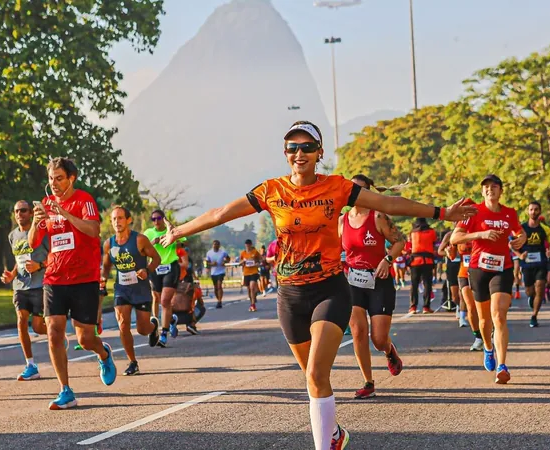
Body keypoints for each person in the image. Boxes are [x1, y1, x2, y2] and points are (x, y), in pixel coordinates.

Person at [158, 120, 475, 450]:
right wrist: (179, 231)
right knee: (313, 380)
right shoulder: (272, 190)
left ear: (319, 152)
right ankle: (334, 434)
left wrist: (442, 213)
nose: (300, 153)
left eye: (307, 147)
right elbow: (221, 212)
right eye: (293, 147)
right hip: (290, 295)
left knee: (314, 375)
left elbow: (390, 204)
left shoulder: (337, 187)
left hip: (330, 290)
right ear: (285, 153)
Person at [29, 157, 116, 410]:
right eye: (50, 179)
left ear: (71, 179)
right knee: (54, 331)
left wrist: (64, 213)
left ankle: (103, 353)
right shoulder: (46, 203)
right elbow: (34, 242)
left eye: (59, 178)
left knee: (86, 338)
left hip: (84, 278)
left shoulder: (84, 200)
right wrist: (36, 222)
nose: (54, 184)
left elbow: (93, 230)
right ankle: (65, 390)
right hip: (55, 277)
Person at [451, 174, 525, 385]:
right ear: (482, 191)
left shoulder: (510, 213)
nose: (489, 190)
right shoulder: (473, 212)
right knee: (484, 321)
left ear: (501, 191)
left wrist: (521, 239)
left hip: (503, 268)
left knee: (499, 316)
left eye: (494, 186)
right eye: (486, 187)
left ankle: (502, 366)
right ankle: (488, 347)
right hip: (478, 269)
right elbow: (456, 238)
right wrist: (480, 235)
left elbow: (519, 232)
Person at [339, 174, 406, 400]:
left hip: (380, 281)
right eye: (353, 189)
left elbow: (400, 241)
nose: (356, 193)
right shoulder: (342, 221)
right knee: (358, 331)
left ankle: (389, 351)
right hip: (353, 282)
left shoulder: (378, 216)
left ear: (368, 192)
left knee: (378, 339)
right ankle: (368, 381)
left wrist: (387, 260)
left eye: (361, 189)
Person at [102, 206, 162, 376]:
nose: (117, 222)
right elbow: (106, 266)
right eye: (114, 219)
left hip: (140, 289)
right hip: (122, 289)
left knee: (143, 329)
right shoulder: (109, 244)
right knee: (122, 324)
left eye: (120, 218)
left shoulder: (140, 240)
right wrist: (103, 280)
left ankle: (153, 326)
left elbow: (156, 258)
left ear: (128, 220)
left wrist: (147, 270)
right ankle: (132, 362)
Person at [1, 200, 50, 381]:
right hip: (20, 286)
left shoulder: (41, 234)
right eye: (16, 211)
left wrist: (39, 265)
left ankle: (55, 333)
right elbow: (18, 260)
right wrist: (11, 275)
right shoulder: (13, 235)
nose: (19, 214)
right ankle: (30, 364)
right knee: (21, 320)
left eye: (23, 211)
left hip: (40, 285)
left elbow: (54, 256)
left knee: (38, 326)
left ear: (31, 213)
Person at [143, 209, 185, 347]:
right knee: (156, 298)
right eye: (153, 219)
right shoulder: (148, 233)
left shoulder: (170, 230)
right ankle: (167, 321)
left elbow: (182, 242)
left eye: (159, 218)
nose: (156, 221)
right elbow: (141, 249)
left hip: (170, 267)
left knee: (165, 301)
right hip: (155, 267)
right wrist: (153, 242)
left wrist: (169, 228)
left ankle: (163, 333)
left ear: (163, 219)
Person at [514, 201, 550, 328]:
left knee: (540, 288)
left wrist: (549, 251)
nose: (533, 212)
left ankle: (534, 316)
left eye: (536, 209)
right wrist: (519, 256)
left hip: (541, 263)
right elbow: (512, 245)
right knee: (529, 291)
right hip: (527, 264)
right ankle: (531, 298)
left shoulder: (545, 229)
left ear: (539, 211)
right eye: (531, 209)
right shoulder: (521, 228)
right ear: (527, 212)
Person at [408, 218, 437, 314]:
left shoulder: (412, 233)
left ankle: (413, 307)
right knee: (427, 284)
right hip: (428, 261)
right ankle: (426, 307)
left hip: (415, 262)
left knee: (414, 285)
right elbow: (434, 242)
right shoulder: (431, 231)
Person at [439, 230, 466, 326]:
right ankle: (459, 306)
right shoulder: (449, 235)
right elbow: (440, 251)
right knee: (455, 296)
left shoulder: (469, 233)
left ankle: (462, 317)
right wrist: (449, 252)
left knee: (463, 292)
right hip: (452, 265)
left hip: (465, 264)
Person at [239, 239, 263, 312]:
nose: (248, 246)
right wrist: (243, 261)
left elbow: (261, 259)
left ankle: (253, 304)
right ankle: (252, 301)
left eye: (249, 244)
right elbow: (240, 263)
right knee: (249, 289)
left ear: (251, 245)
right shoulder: (243, 253)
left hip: (254, 272)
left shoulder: (255, 252)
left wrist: (258, 264)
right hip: (246, 273)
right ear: (245, 245)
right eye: (246, 244)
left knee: (252, 287)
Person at [205, 240, 230, 308]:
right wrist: (211, 264)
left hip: (221, 271)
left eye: (217, 244)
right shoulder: (209, 253)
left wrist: (224, 261)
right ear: (212, 245)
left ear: (219, 245)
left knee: (219, 286)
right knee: (216, 288)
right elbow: (206, 263)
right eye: (214, 244)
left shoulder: (223, 252)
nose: (215, 246)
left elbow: (228, 258)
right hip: (213, 272)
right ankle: (218, 299)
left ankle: (219, 301)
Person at [539, 216, 550, 302]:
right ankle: (541, 295)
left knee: (549, 281)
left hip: (548, 257)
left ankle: (547, 289)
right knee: (540, 278)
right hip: (538, 258)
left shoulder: (549, 230)